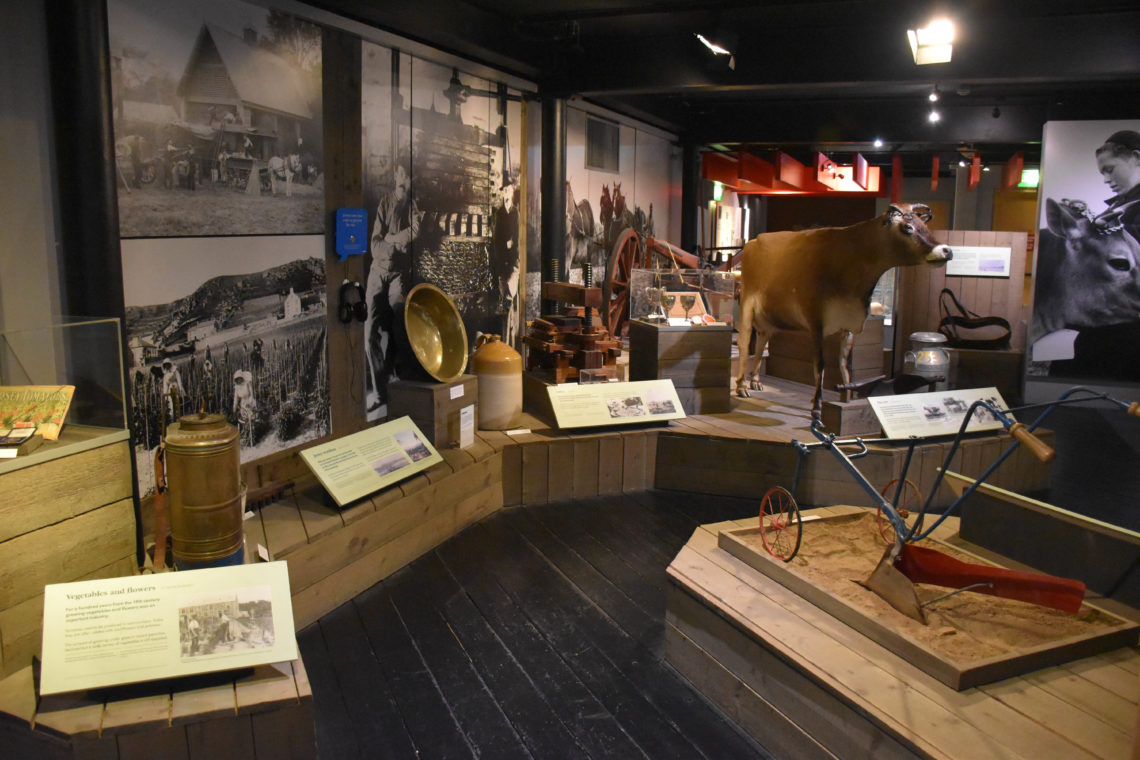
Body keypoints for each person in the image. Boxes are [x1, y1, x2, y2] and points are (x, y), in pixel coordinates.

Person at [1048, 130, 1140, 381]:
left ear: (1136, 158)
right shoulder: (1120, 206)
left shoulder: (1128, 209)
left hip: (1126, 321)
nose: (1107, 179)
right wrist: (1085, 221)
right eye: (1102, 173)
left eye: (1110, 169)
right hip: (1107, 317)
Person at [365, 161, 419, 413]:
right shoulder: (384, 203)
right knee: (369, 334)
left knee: (401, 323)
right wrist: (398, 244)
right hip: (377, 272)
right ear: (395, 177)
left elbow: (416, 231)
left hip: (398, 275)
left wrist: (392, 238)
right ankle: (379, 393)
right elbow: (374, 245)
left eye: (407, 177)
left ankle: (389, 378)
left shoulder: (412, 206)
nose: (403, 181)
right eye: (400, 175)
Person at [491, 181, 520, 341]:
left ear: (512, 193)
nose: (506, 193)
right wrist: (502, 247)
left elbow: (518, 236)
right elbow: (496, 239)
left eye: (508, 190)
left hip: (514, 263)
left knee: (510, 298)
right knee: (505, 304)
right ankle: (505, 340)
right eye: (504, 191)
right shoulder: (499, 214)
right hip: (502, 263)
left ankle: (511, 339)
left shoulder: (516, 213)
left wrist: (513, 244)